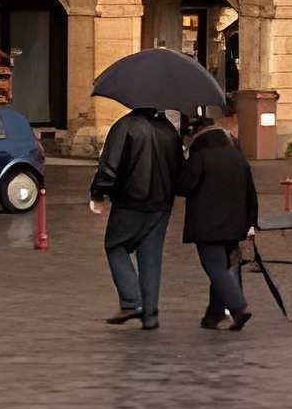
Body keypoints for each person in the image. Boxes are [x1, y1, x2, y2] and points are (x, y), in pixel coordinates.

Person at [88, 104, 185, 330]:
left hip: (131, 200)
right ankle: (150, 314)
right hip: (161, 203)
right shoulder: (168, 129)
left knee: (115, 245)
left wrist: (98, 191)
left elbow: (109, 166)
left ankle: (132, 302)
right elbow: (180, 168)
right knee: (151, 257)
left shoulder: (125, 126)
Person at [177, 106, 260, 332]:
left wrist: (181, 163)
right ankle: (213, 316)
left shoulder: (200, 156)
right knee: (222, 266)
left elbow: (185, 186)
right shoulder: (237, 156)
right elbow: (250, 191)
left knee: (215, 268)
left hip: (207, 224)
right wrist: (251, 221)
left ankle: (238, 308)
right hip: (235, 224)